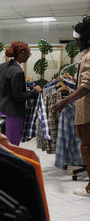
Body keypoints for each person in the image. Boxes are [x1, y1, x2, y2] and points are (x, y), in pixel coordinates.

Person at [54, 16, 90, 197]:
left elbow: (86, 86)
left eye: (77, 40)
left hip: (87, 114)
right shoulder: (86, 56)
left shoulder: (89, 56)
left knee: (87, 148)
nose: (76, 43)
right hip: (85, 112)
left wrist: (63, 102)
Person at [0, 41, 42, 146]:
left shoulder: (2, 66)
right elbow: (18, 97)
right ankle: (10, 161)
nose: (28, 56)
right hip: (12, 111)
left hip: (0, 108)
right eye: (28, 54)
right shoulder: (18, 71)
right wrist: (34, 91)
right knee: (12, 143)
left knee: (5, 139)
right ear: (22, 53)